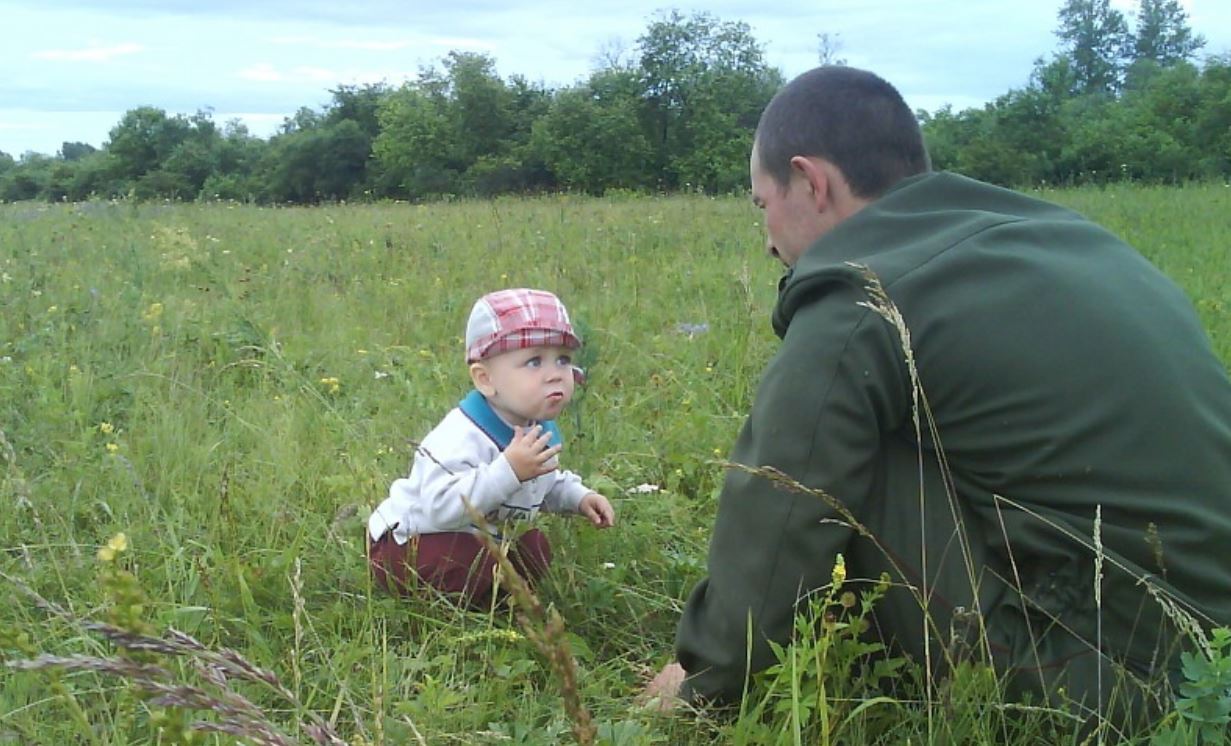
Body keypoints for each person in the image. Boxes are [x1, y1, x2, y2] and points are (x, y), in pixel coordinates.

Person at [644, 66, 1231, 730]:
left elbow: (781, 502)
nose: (768, 240)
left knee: (842, 449)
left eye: (762, 205)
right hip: (1212, 662)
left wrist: (705, 678)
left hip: (1112, 689)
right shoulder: (1064, 238)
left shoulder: (861, 294)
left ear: (810, 182)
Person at [368, 288, 615, 608]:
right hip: (409, 545)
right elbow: (439, 507)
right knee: (467, 559)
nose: (555, 374)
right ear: (485, 379)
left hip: (472, 542)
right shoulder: (462, 434)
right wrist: (508, 471)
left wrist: (578, 497)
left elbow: (543, 482)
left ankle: (492, 600)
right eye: (534, 361)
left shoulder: (536, 427)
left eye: (563, 359)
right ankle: (446, 609)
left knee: (534, 547)